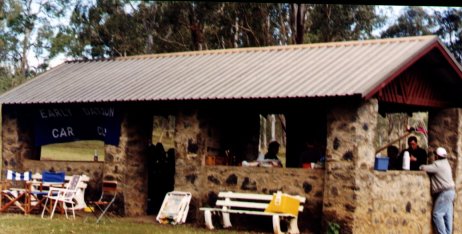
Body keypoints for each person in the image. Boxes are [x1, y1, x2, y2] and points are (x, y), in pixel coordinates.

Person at [420, 147, 455, 234]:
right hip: (451, 192)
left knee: (437, 214)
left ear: (437, 156)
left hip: (444, 192)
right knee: (447, 216)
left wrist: (420, 166)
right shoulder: (446, 163)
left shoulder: (438, 164)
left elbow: (424, 168)